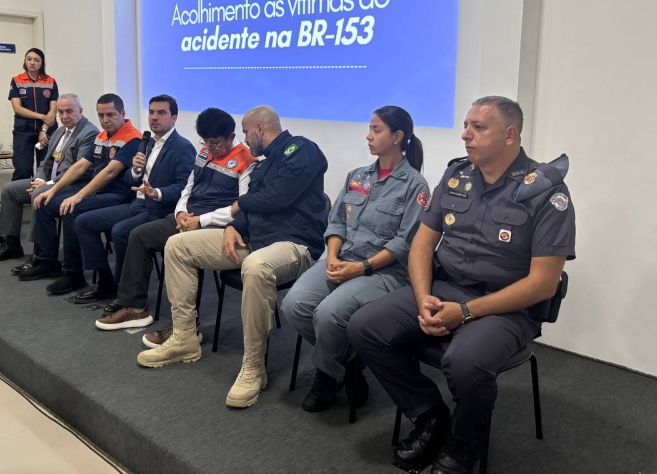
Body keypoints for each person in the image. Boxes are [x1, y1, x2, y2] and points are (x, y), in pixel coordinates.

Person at [347, 96, 576, 474]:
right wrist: (423, 297)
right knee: (364, 326)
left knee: (465, 362)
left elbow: (542, 284)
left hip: (506, 307)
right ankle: (430, 415)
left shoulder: (546, 192)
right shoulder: (457, 176)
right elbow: (422, 245)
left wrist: (465, 312)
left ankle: (464, 443)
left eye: (477, 127)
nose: (465, 135)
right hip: (445, 288)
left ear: (510, 135)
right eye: (466, 126)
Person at [136, 105, 328, 410]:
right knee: (178, 245)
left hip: (294, 244)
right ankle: (184, 337)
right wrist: (234, 226)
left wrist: (238, 210)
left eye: (246, 131)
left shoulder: (301, 149)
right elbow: (251, 203)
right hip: (253, 239)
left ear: (260, 129)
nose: (244, 138)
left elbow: (275, 198)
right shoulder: (263, 165)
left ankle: (254, 366)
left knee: (256, 266)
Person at [282, 106, 430, 413]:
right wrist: (332, 256)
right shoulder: (357, 176)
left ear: (397, 137)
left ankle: (327, 374)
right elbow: (337, 223)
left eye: (376, 129)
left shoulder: (415, 185)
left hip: (384, 272)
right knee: (294, 305)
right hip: (343, 258)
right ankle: (349, 363)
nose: (368, 136)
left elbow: (404, 244)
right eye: (370, 128)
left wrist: (360, 268)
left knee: (328, 314)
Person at [93, 107, 257, 333]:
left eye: (215, 143)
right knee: (138, 235)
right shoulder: (204, 152)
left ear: (231, 136)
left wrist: (200, 220)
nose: (210, 147)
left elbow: (242, 207)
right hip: (187, 217)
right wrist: (180, 212)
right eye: (205, 142)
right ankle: (135, 306)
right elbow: (189, 187)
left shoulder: (247, 161)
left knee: (181, 248)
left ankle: (186, 327)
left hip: (215, 226)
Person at [67, 95, 195, 303]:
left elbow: (184, 187)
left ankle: (124, 291)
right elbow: (129, 179)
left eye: (161, 113)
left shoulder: (182, 147)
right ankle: (105, 282)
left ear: (174, 118)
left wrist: (158, 192)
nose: (154, 117)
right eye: (151, 112)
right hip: (137, 204)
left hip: (158, 210)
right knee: (83, 222)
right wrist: (135, 171)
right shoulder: (147, 143)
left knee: (121, 231)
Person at [12, 94, 141, 294]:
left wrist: (78, 195)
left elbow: (110, 173)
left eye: (111, 115)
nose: (105, 120)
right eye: (101, 115)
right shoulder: (102, 136)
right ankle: (47, 260)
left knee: (71, 208)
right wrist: (52, 190)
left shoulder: (132, 138)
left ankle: (75, 273)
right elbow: (80, 166)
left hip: (119, 196)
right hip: (98, 193)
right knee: (44, 202)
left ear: (122, 113)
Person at [0, 93, 98, 267]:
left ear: (80, 110)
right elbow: (46, 161)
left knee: (39, 195)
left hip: (74, 186)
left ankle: (40, 253)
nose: (64, 116)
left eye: (69, 111)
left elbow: (80, 169)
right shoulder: (59, 131)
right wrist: (39, 179)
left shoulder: (89, 133)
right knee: (10, 190)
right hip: (47, 182)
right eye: (60, 112)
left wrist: (47, 184)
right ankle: (11, 245)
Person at [9, 48, 58, 181]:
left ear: (42, 63)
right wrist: (41, 116)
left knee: (46, 170)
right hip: (24, 131)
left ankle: (44, 195)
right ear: (25, 61)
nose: (32, 63)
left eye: (36, 60)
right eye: (29, 59)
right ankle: (20, 194)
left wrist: (43, 130)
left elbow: (53, 111)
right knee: (22, 169)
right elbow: (17, 108)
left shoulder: (50, 81)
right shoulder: (17, 80)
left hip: (47, 131)